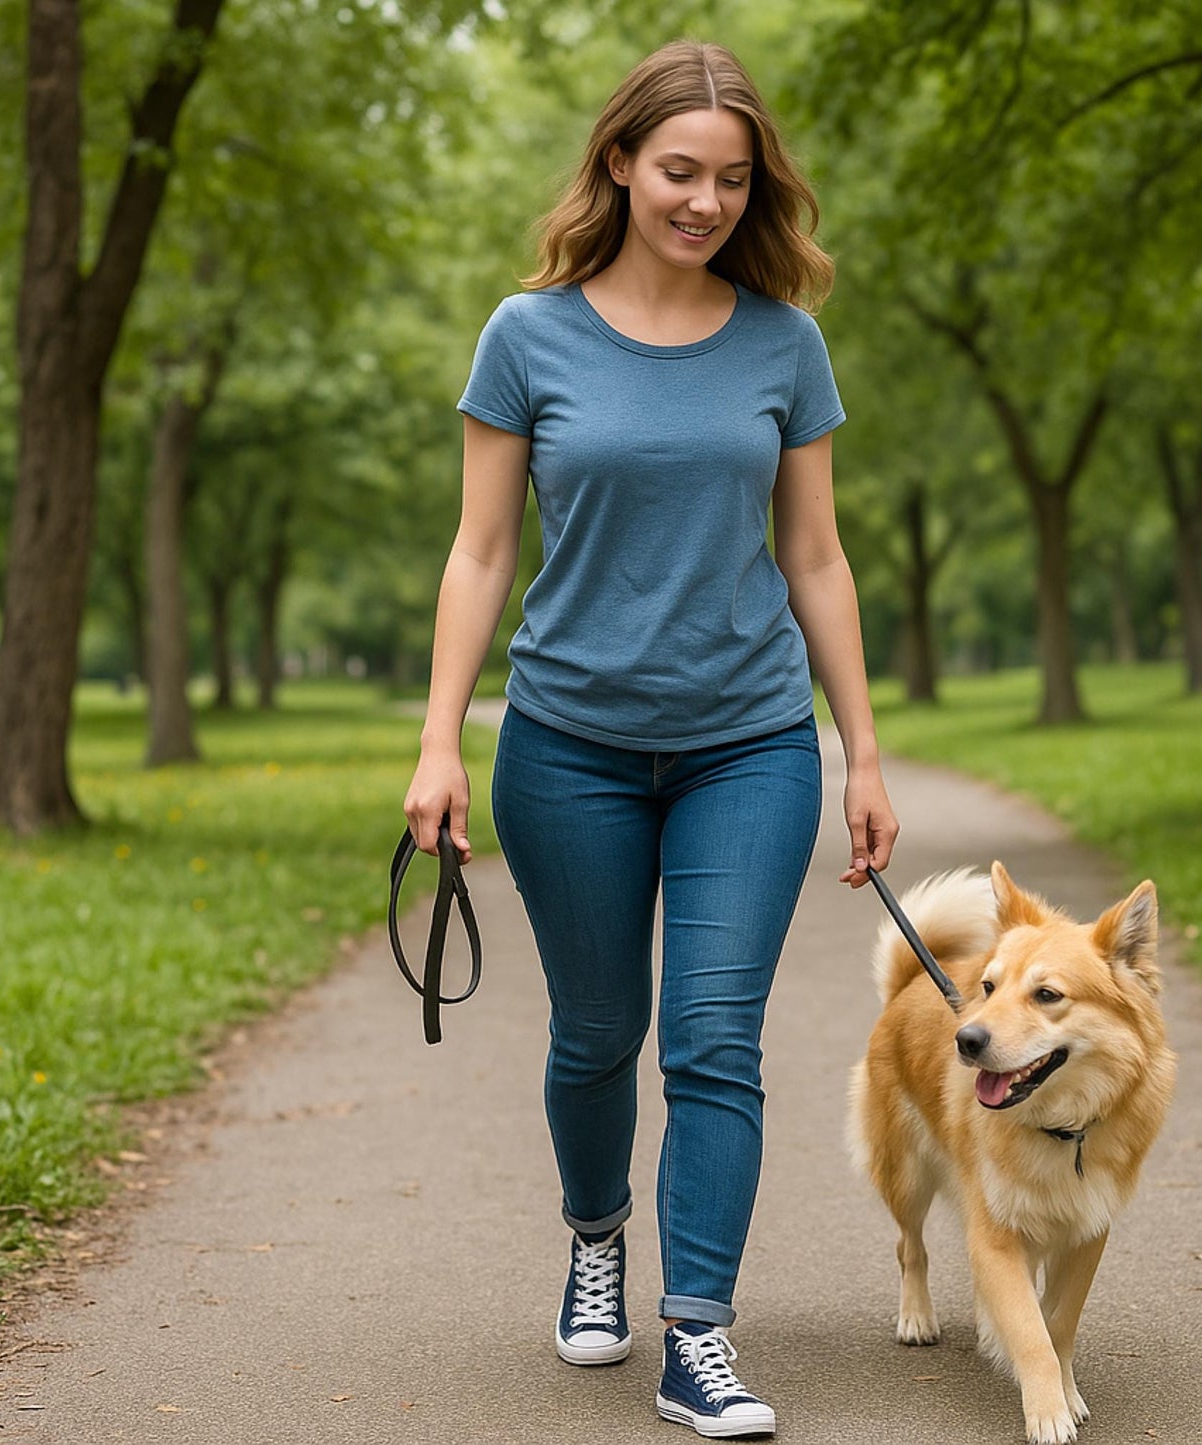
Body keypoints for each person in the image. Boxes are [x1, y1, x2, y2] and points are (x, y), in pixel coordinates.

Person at [402, 38, 897, 1440]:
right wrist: (440, 740)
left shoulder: (782, 344)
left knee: (713, 1040)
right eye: (679, 170)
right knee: (595, 1035)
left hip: (749, 740)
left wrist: (860, 752)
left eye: (732, 180)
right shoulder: (527, 334)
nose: (704, 201)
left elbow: (816, 559)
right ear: (618, 162)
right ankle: (594, 1232)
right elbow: (479, 550)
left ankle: (700, 1336)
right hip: (567, 744)